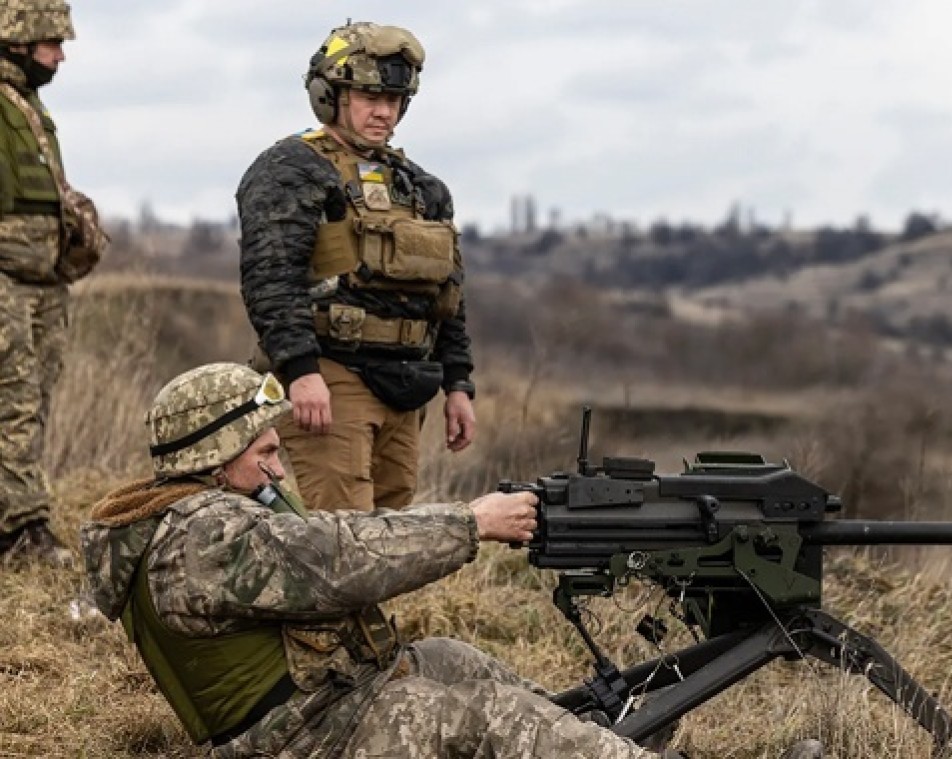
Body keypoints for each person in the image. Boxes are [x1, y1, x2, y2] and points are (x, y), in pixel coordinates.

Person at [79, 362, 823, 759]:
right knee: (472, 716)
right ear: (213, 459)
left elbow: (322, 546)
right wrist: (473, 523)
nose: (278, 470)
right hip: (297, 743)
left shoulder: (188, 521)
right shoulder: (205, 537)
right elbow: (341, 557)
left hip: (315, 713)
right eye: (265, 452)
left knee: (446, 658)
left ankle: (597, 746)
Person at [237, 21, 475, 514]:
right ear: (331, 95)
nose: (384, 111)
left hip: (407, 383)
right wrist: (301, 371)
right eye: (369, 96)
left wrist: (458, 384)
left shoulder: (420, 187)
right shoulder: (292, 169)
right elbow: (270, 279)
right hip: (331, 372)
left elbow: (448, 296)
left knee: (392, 531)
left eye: (394, 98)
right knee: (343, 532)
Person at [0, 0, 105, 566]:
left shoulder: (29, 108)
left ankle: (19, 514)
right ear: (17, 39)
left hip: (42, 282)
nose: (60, 55)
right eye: (51, 43)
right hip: (5, 281)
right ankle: (19, 532)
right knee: (10, 402)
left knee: (34, 400)